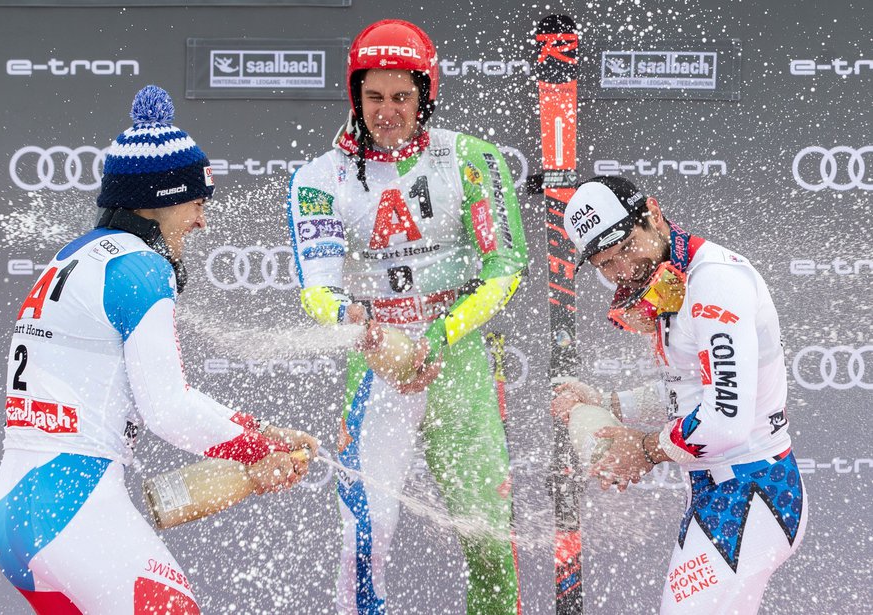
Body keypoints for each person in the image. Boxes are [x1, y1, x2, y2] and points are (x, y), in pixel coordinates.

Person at [0, 85, 318, 615]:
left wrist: (256, 434)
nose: (202, 220)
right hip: (73, 509)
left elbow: (152, 398)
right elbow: (169, 410)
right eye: (196, 201)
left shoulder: (77, 255)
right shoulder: (143, 268)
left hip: (15, 513)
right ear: (162, 199)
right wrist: (256, 448)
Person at [286, 19, 528, 615]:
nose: (387, 111)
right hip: (376, 362)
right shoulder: (320, 178)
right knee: (365, 534)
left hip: (458, 353)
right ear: (354, 96)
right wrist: (363, 327)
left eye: (401, 96)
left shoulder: (471, 159)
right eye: (373, 97)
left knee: (487, 533)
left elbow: (505, 270)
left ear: (426, 94)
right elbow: (315, 291)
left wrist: (441, 337)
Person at [552, 176, 806, 614]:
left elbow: (725, 418)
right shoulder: (674, 280)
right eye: (606, 265)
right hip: (719, 491)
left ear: (652, 213)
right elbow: (688, 391)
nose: (625, 272)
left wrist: (647, 450)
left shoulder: (714, 282)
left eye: (628, 248)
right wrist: (608, 403)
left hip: (751, 491)